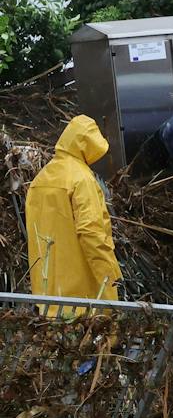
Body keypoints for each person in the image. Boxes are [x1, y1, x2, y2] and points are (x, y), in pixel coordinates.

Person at [26, 115, 122, 309]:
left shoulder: (40, 180)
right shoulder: (81, 180)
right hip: (81, 299)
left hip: (47, 297)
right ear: (87, 146)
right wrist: (111, 284)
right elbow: (92, 234)